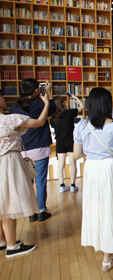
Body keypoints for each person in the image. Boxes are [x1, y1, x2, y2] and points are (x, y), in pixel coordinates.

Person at [73, 88, 113, 272]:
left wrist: (92, 152)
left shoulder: (81, 126)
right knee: (111, 208)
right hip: (110, 168)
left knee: (95, 207)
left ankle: (101, 244)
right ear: (107, 104)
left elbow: (76, 155)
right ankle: (107, 257)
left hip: (91, 169)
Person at [0, 88, 49, 257]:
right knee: (8, 203)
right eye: (1, 96)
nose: (4, 99)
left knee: (1, 202)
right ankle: (12, 246)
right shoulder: (9, 120)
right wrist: (47, 102)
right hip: (8, 162)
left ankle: (2, 241)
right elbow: (40, 122)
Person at [10, 78, 56, 222]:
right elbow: (54, 108)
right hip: (39, 148)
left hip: (23, 149)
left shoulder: (14, 108)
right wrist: (48, 93)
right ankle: (41, 209)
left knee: (27, 182)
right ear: (36, 90)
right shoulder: (39, 105)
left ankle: (31, 212)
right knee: (40, 181)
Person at [50, 95, 85, 193]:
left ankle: (62, 185)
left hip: (60, 142)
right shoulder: (69, 113)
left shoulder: (53, 118)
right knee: (72, 163)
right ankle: (73, 185)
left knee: (60, 164)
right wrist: (75, 98)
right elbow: (82, 107)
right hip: (71, 141)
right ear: (62, 103)